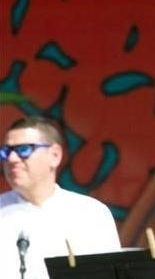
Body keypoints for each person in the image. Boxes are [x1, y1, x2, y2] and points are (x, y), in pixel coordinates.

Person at [0, 116, 121, 279]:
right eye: (6, 151)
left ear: (55, 155)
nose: (12, 159)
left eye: (24, 149)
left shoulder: (90, 213)